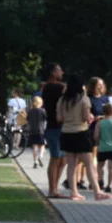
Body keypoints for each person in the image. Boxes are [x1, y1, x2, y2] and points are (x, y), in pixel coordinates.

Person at [57, 75, 112, 201]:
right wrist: (92, 117)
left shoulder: (62, 100)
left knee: (71, 165)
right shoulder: (83, 99)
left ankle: (74, 192)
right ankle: (97, 192)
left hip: (66, 132)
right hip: (81, 132)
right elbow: (86, 118)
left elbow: (59, 118)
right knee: (89, 164)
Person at [40, 63, 66, 197]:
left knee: (63, 159)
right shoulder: (54, 87)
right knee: (55, 158)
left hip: (59, 127)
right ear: (53, 73)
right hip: (54, 127)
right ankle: (52, 190)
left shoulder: (49, 87)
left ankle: (55, 188)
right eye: (59, 70)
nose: (62, 72)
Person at [25, 96, 47, 168]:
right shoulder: (42, 111)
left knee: (34, 146)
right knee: (42, 145)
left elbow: (27, 119)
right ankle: (40, 156)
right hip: (41, 131)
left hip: (32, 131)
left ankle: (35, 161)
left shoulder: (30, 111)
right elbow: (46, 119)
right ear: (40, 103)